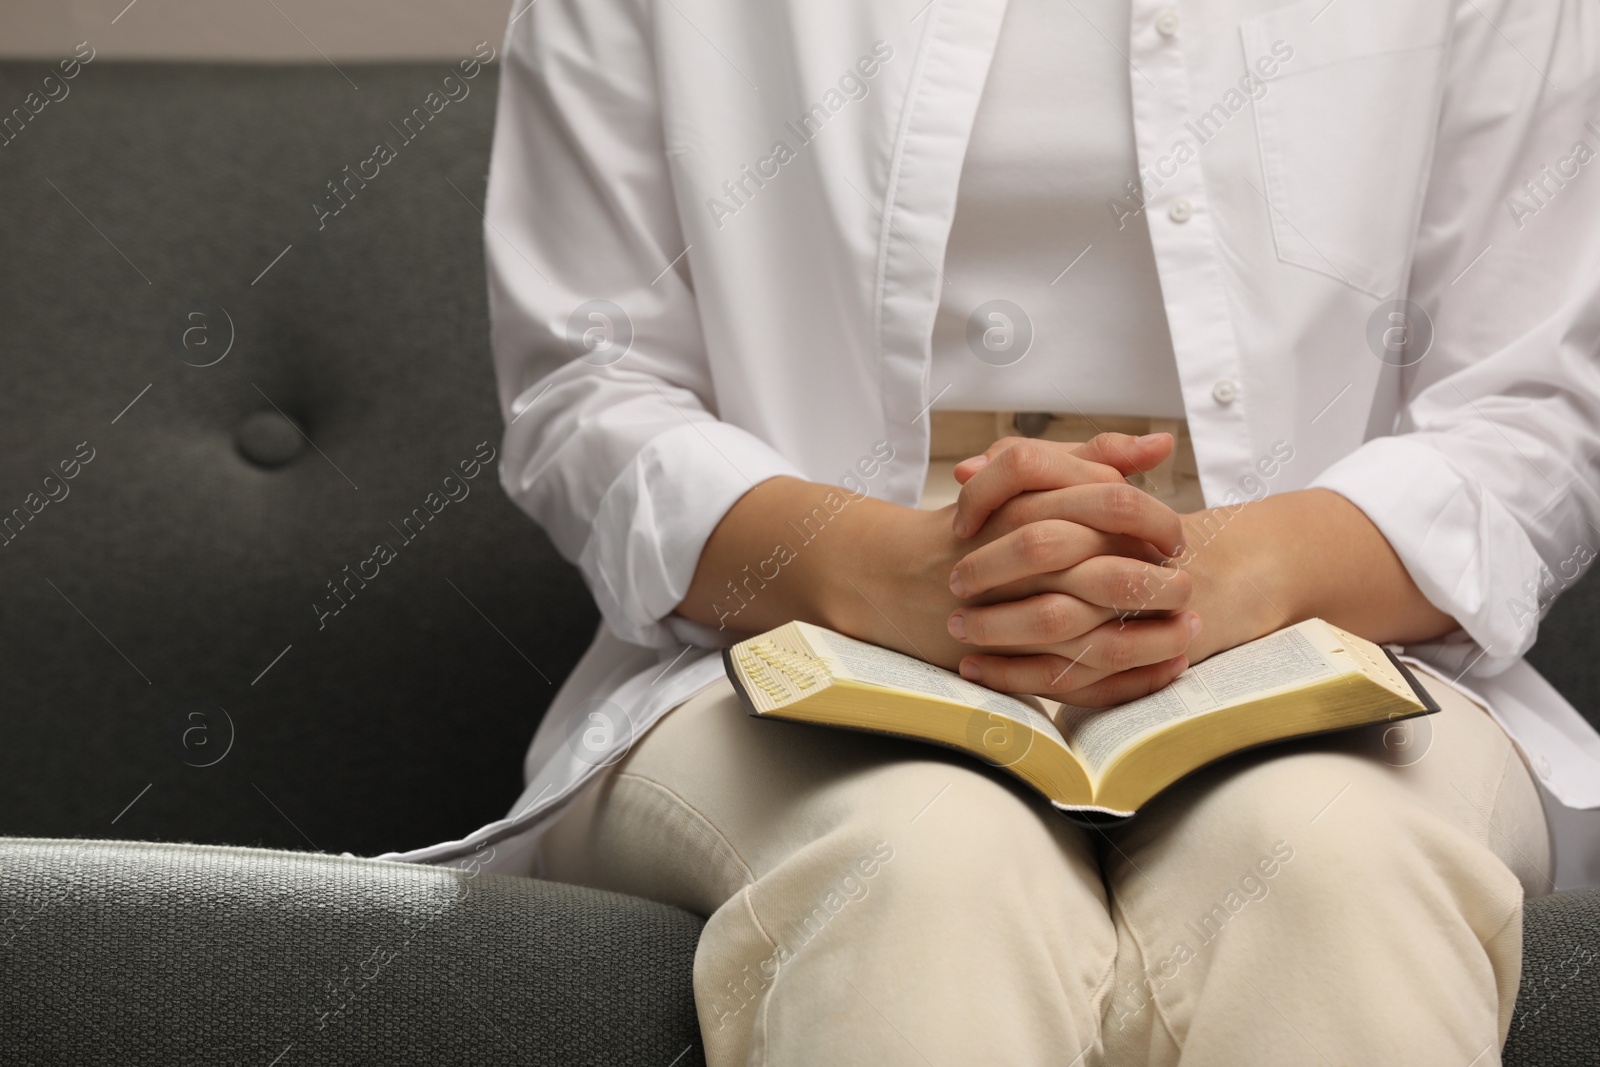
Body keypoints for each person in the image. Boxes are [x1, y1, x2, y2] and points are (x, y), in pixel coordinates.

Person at [380, 0, 1600, 1062]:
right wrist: (880, 571)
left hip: (1340, 636)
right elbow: (587, 389)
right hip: (791, 640)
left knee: (1330, 869)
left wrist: (1229, 576)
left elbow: (1532, 410)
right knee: (918, 867)